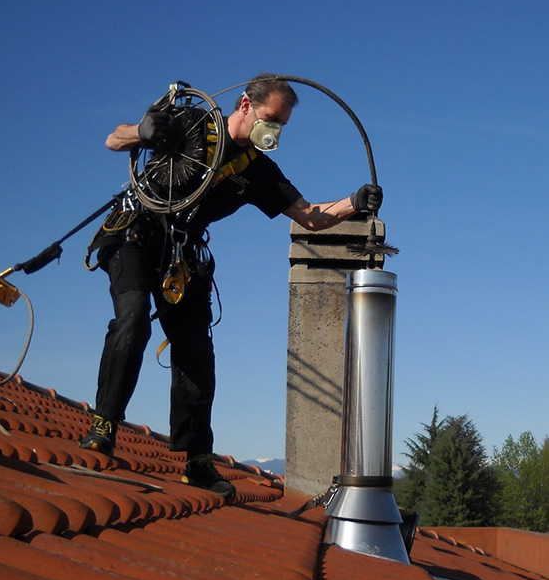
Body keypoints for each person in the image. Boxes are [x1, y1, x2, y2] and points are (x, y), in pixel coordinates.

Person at [80, 74, 383, 501]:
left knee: (196, 352)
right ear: (244, 105)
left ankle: (198, 461)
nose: (273, 131)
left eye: (280, 125)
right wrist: (142, 131)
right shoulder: (190, 122)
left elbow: (310, 216)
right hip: (135, 234)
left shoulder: (259, 172)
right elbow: (115, 139)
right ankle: (104, 425)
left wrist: (355, 200)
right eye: (270, 119)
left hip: (179, 256)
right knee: (132, 319)